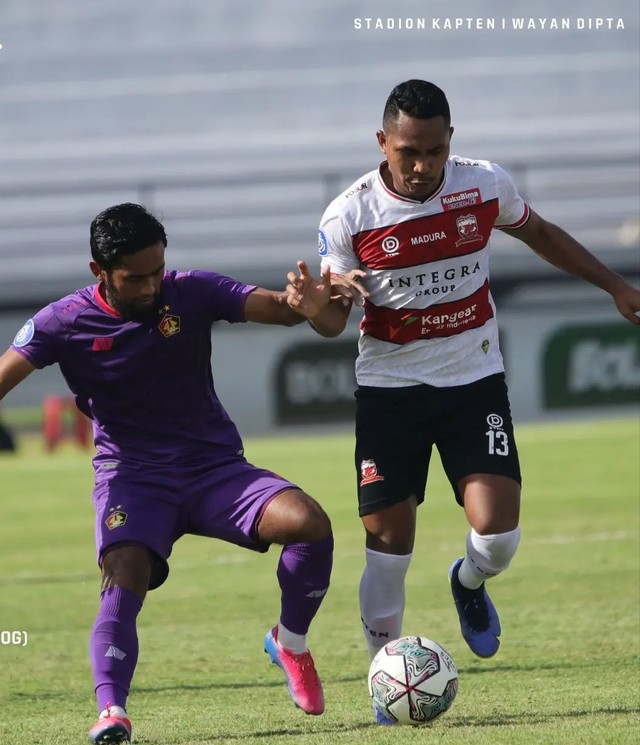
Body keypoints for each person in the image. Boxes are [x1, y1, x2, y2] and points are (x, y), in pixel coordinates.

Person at [284, 79, 640, 724]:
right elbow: (334, 318)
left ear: (452, 142)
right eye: (408, 153)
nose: (421, 168)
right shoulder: (350, 215)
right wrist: (319, 309)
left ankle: (468, 581)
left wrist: (615, 285)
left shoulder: (483, 186)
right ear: (382, 143)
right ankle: (387, 688)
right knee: (388, 546)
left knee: (499, 535)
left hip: (473, 378)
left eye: (435, 152)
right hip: (391, 389)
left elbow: (541, 234)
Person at [0, 203, 334, 745]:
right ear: (99, 271)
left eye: (158, 270)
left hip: (213, 467)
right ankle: (112, 713)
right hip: (132, 475)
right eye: (136, 277)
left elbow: (276, 308)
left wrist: (303, 305)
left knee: (309, 522)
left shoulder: (191, 290)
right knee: (123, 573)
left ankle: (290, 643)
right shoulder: (62, 321)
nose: (152, 285)